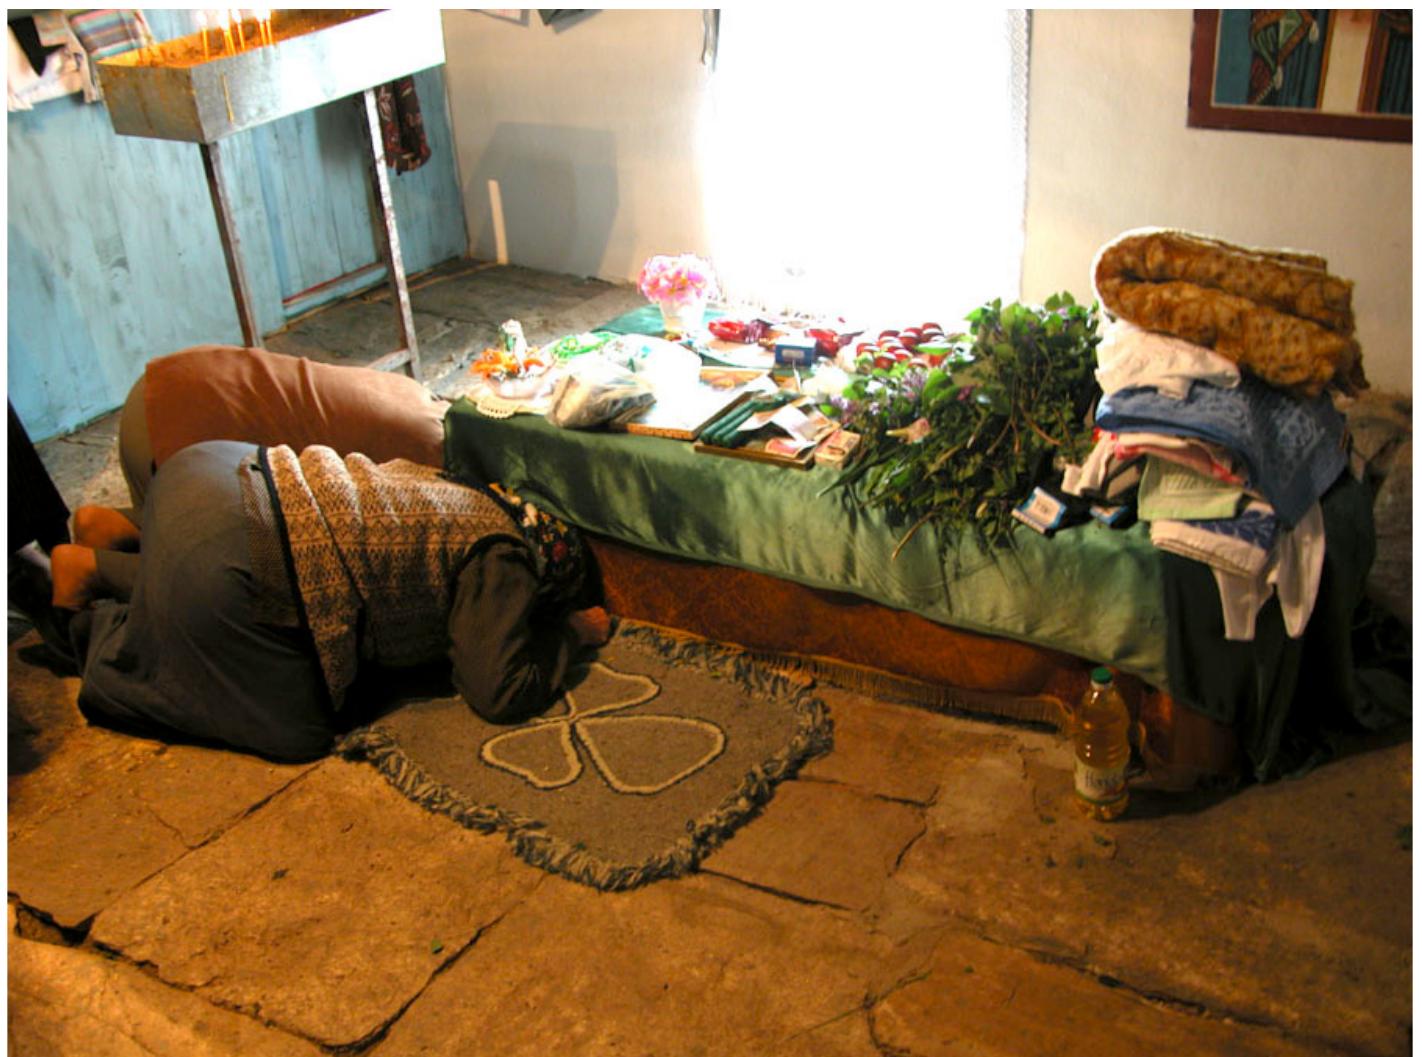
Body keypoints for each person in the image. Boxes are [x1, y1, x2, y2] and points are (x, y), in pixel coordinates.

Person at [17, 439, 611, 762]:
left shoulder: (456, 489)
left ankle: (114, 549)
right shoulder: (505, 555)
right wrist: (569, 635)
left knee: (214, 562)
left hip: (213, 469)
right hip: (235, 561)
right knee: (297, 731)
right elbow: (499, 690)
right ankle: (96, 618)